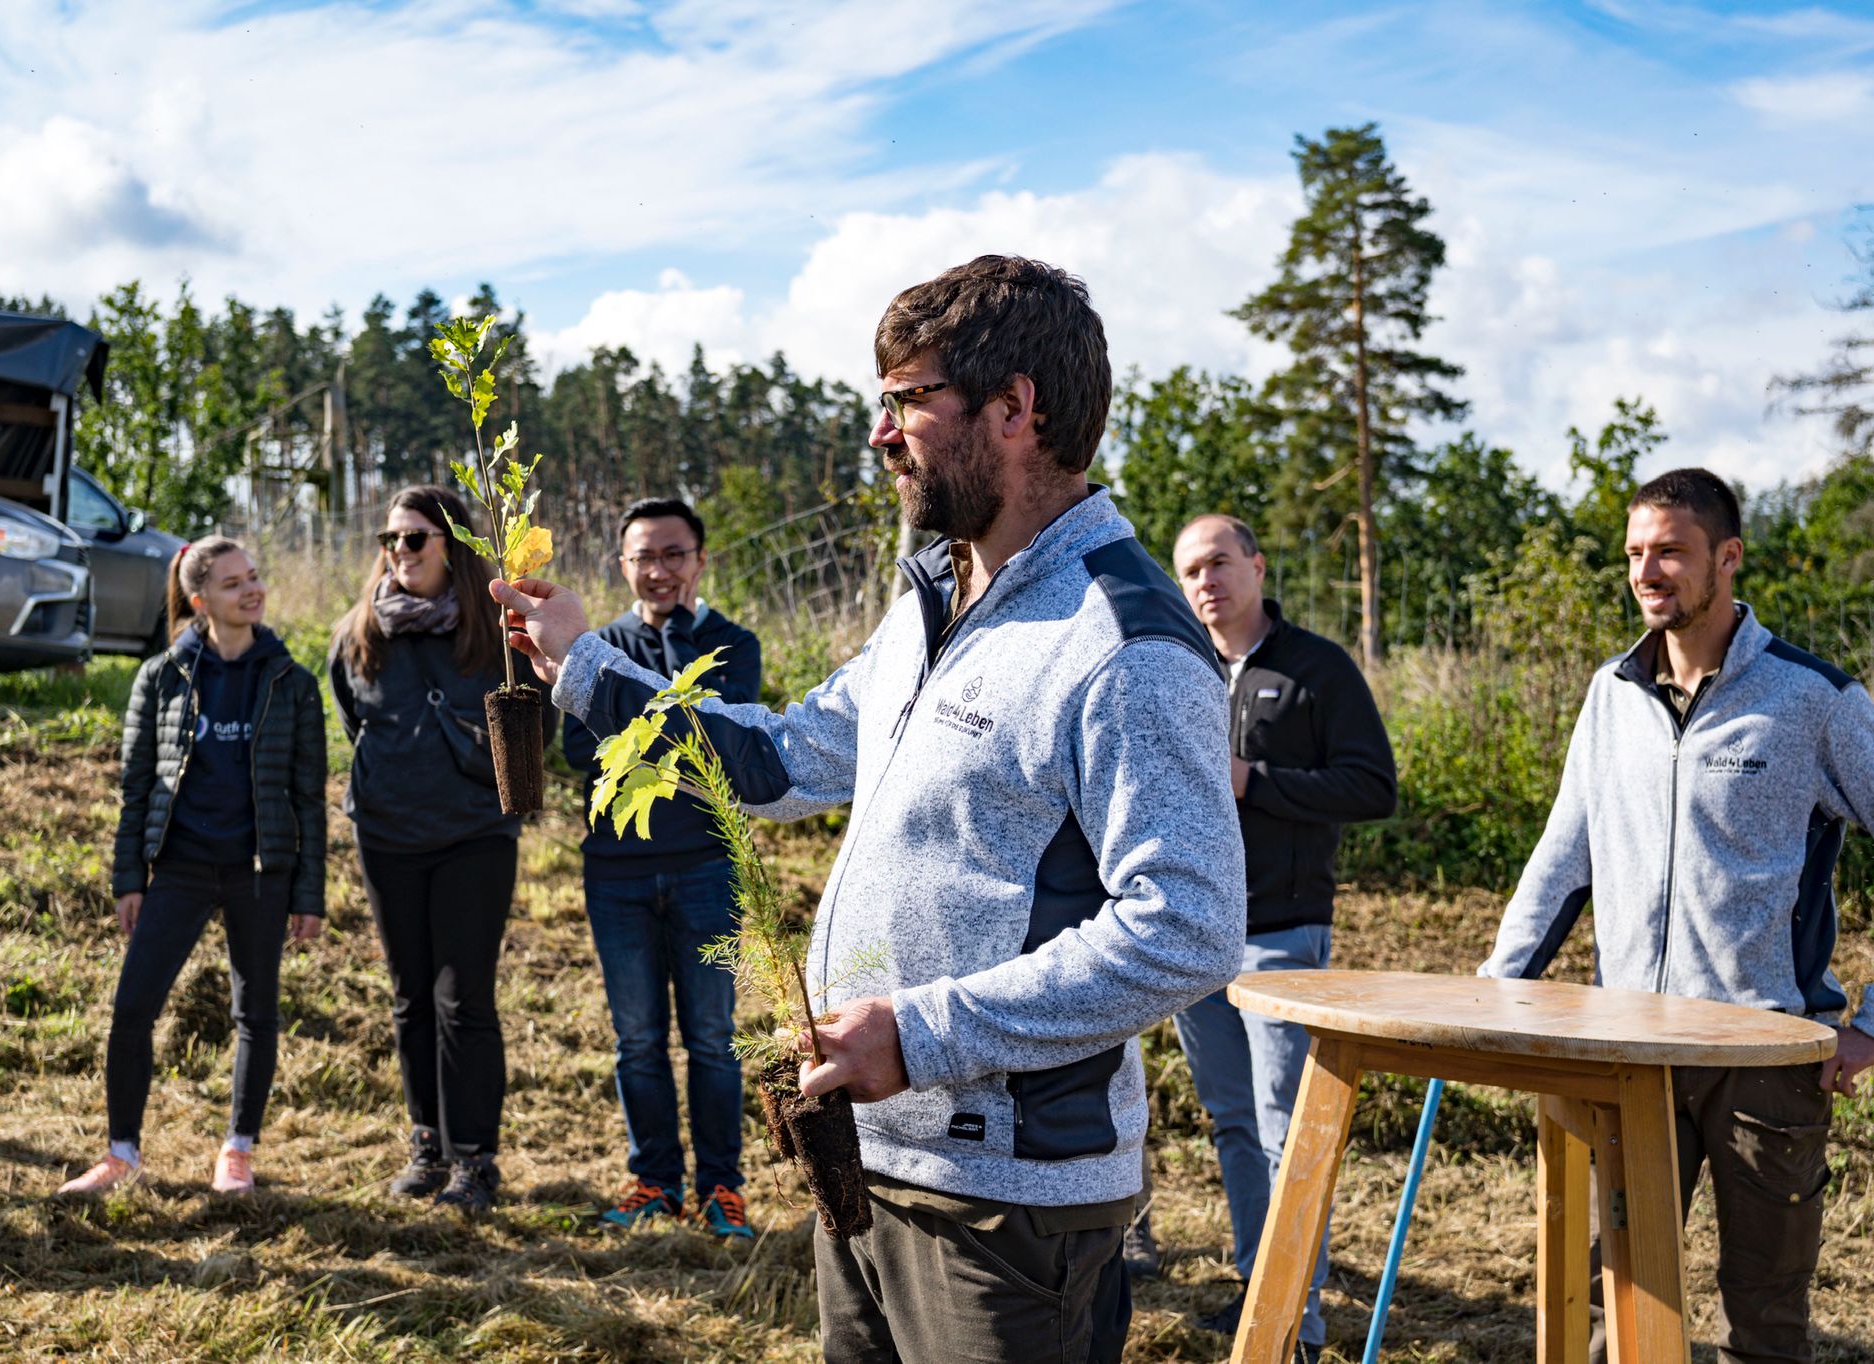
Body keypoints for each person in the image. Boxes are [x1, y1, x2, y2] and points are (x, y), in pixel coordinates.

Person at [492, 255, 1247, 1362]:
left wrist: (920, 1030)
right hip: (867, 1163)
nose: (881, 435)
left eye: (904, 400)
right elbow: (782, 756)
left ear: (1013, 409)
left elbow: (1187, 927)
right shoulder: (933, 609)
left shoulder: (1120, 641)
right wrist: (586, 669)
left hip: (1005, 1205)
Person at [1483, 468, 1874, 1364]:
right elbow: (1565, 856)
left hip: (1764, 1054)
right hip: (1632, 1049)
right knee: (1626, 1308)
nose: (1649, 571)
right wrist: (1496, 992)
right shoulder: (1611, 695)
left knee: (1764, 1319)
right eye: (1637, 553)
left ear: (1728, 558)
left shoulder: (1812, 699)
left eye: (1671, 551)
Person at [1153, 515, 1396, 1350]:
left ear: (1257, 566)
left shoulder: (1316, 669)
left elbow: (1372, 787)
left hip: (1283, 934)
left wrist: (1254, 781)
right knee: (1229, 1122)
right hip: (1192, 935)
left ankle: (1302, 1318)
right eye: (1189, 571)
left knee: (1284, 1129)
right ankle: (1262, 1288)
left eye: (1219, 563)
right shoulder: (1177, 668)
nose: (1205, 582)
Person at [60, 536, 327, 1195]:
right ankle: (121, 1154)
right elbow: (136, 786)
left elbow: (308, 797)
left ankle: (237, 1151)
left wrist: (308, 893)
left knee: (255, 1013)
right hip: (178, 868)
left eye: (255, 577)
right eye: (235, 583)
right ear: (202, 599)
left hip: (259, 871)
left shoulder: (292, 681)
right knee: (131, 1011)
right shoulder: (160, 677)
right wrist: (129, 878)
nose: (253, 590)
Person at [330, 484, 555, 1214]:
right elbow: (352, 722)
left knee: (464, 999)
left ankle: (474, 1159)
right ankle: (426, 1144)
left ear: (450, 547)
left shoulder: (496, 636)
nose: (400, 552)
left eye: (416, 539)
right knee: (409, 995)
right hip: (387, 837)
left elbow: (533, 729)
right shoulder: (358, 634)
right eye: (390, 540)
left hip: (472, 838)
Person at [561, 497, 763, 1239]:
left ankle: (720, 1189)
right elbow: (579, 751)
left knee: (711, 1036)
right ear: (622, 567)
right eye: (643, 557)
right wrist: (673, 719)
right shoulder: (594, 646)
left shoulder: (732, 644)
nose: (658, 571)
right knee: (637, 1039)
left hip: (707, 866)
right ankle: (653, 1180)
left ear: (700, 560)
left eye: (673, 554)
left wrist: (666, 670)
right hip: (615, 872)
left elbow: (722, 742)